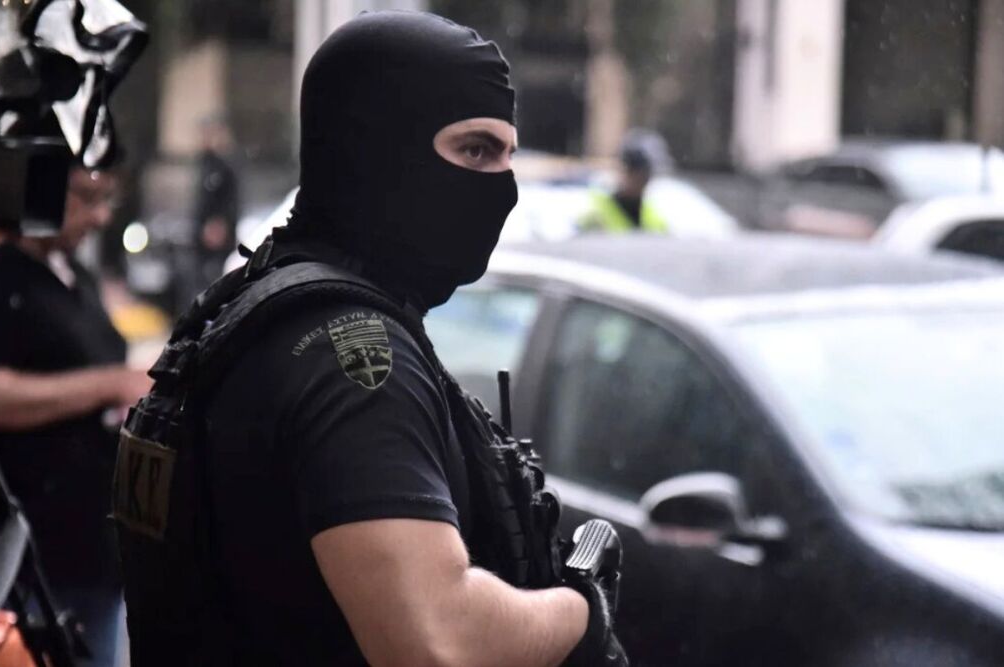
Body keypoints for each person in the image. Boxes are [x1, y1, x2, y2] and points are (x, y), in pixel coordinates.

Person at [114, 11, 628, 667]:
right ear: (378, 149)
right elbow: (436, 642)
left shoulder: (252, 308)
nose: (503, 187)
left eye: (507, 154)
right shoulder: (352, 357)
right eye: (474, 150)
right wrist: (581, 610)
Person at [0, 165, 151, 667]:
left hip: (90, 550)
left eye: (107, 199)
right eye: (85, 196)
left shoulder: (75, 274)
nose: (99, 217)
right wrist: (108, 384)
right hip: (20, 558)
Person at [581, 129, 672, 233]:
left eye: (646, 176)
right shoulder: (595, 214)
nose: (642, 182)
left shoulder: (653, 215)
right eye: (638, 175)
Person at [191, 116, 240, 294]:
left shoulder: (226, 165)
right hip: (202, 234)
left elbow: (230, 201)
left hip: (217, 236)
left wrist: (219, 224)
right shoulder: (205, 162)